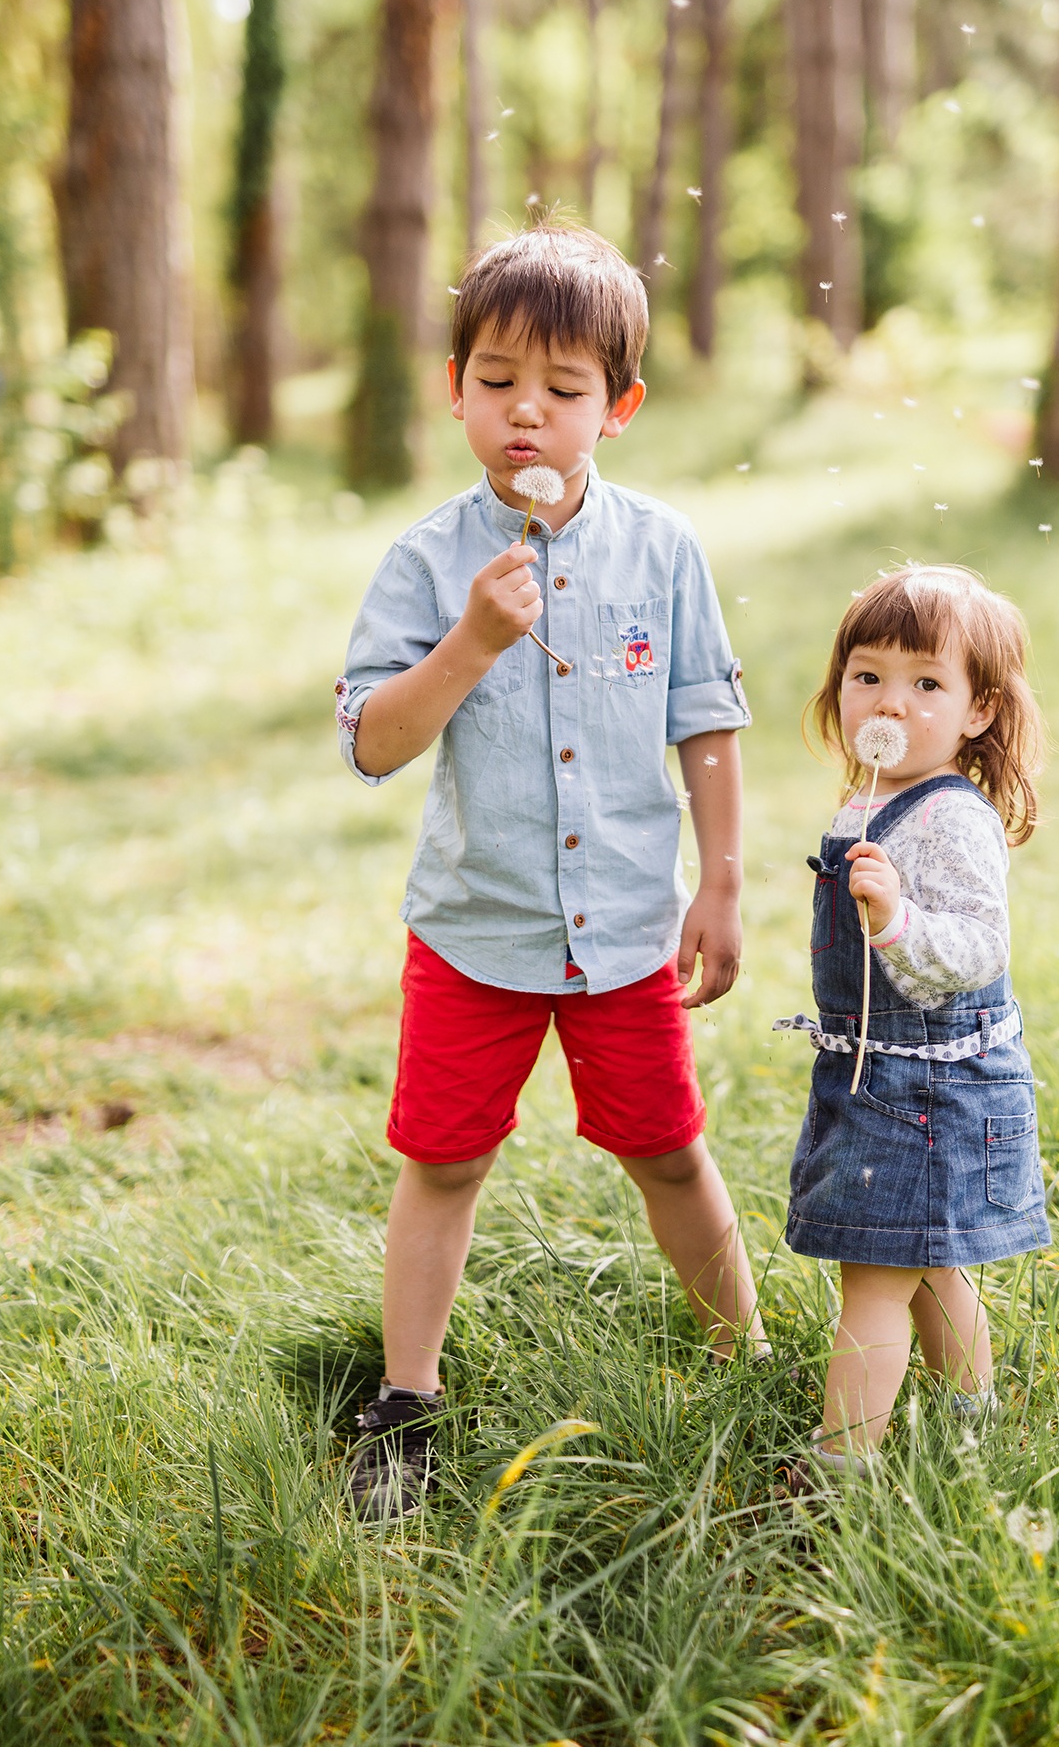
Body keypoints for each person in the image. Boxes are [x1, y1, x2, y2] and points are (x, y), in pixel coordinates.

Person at [335, 221, 767, 1517]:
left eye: (565, 389)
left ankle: (738, 1356)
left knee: (672, 1154)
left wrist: (723, 881)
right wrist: (469, 640)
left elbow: (706, 719)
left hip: (629, 930)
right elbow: (373, 742)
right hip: (477, 933)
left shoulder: (664, 551)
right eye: (498, 380)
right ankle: (406, 1399)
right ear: (453, 385)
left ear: (617, 409)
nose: (528, 412)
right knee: (444, 1163)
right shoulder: (426, 560)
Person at [778, 564, 1049, 1484]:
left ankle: (837, 1476)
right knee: (931, 1260)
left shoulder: (947, 818)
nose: (890, 700)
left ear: (977, 711)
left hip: (930, 1080)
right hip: (884, 1071)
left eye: (926, 683)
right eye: (867, 676)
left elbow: (975, 947)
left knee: (875, 1281)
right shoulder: (874, 795)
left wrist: (894, 919)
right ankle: (972, 1424)